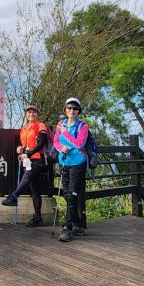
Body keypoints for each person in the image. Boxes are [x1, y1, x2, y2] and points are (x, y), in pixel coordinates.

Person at [2, 104, 49, 227]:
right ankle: (38, 218)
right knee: (35, 189)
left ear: (37, 114)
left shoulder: (41, 126)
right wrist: (20, 148)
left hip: (38, 160)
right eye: (29, 112)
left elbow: (41, 144)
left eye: (34, 112)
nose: (31, 114)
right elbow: (22, 143)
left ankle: (14, 196)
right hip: (27, 160)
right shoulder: (24, 129)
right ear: (26, 114)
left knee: (28, 176)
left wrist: (27, 154)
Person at [53, 97, 89, 242]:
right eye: (69, 108)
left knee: (72, 196)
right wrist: (62, 148)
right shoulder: (60, 124)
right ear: (65, 109)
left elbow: (79, 144)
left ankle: (66, 228)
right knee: (68, 196)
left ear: (78, 111)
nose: (71, 110)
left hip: (78, 164)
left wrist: (66, 133)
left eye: (74, 108)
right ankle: (78, 225)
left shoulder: (83, 126)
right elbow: (55, 141)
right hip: (64, 162)